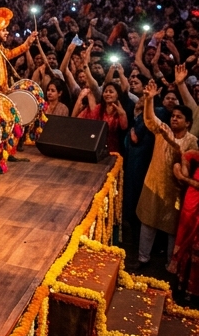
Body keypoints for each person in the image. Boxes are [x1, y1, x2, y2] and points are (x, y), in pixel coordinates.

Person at [138, 81, 197, 267]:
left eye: (179, 117)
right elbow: (149, 119)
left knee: (173, 229)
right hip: (154, 183)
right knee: (148, 222)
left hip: (176, 190)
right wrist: (149, 99)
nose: (174, 119)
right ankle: (142, 259)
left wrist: (170, 142)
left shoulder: (192, 142)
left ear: (188, 122)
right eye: (173, 116)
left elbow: (187, 163)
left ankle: (171, 264)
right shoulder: (163, 130)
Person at [170, 151, 199, 302]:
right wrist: (184, 162)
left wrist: (183, 177)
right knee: (187, 241)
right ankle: (184, 287)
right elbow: (189, 154)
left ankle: (193, 291)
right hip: (193, 199)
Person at [73, 81, 128, 156]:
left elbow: (124, 127)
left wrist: (122, 114)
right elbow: (78, 119)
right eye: (105, 91)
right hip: (97, 146)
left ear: (117, 95)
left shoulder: (121, 110)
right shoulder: (99, 108)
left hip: (113, 149)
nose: (107, 94)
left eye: (111, 92)